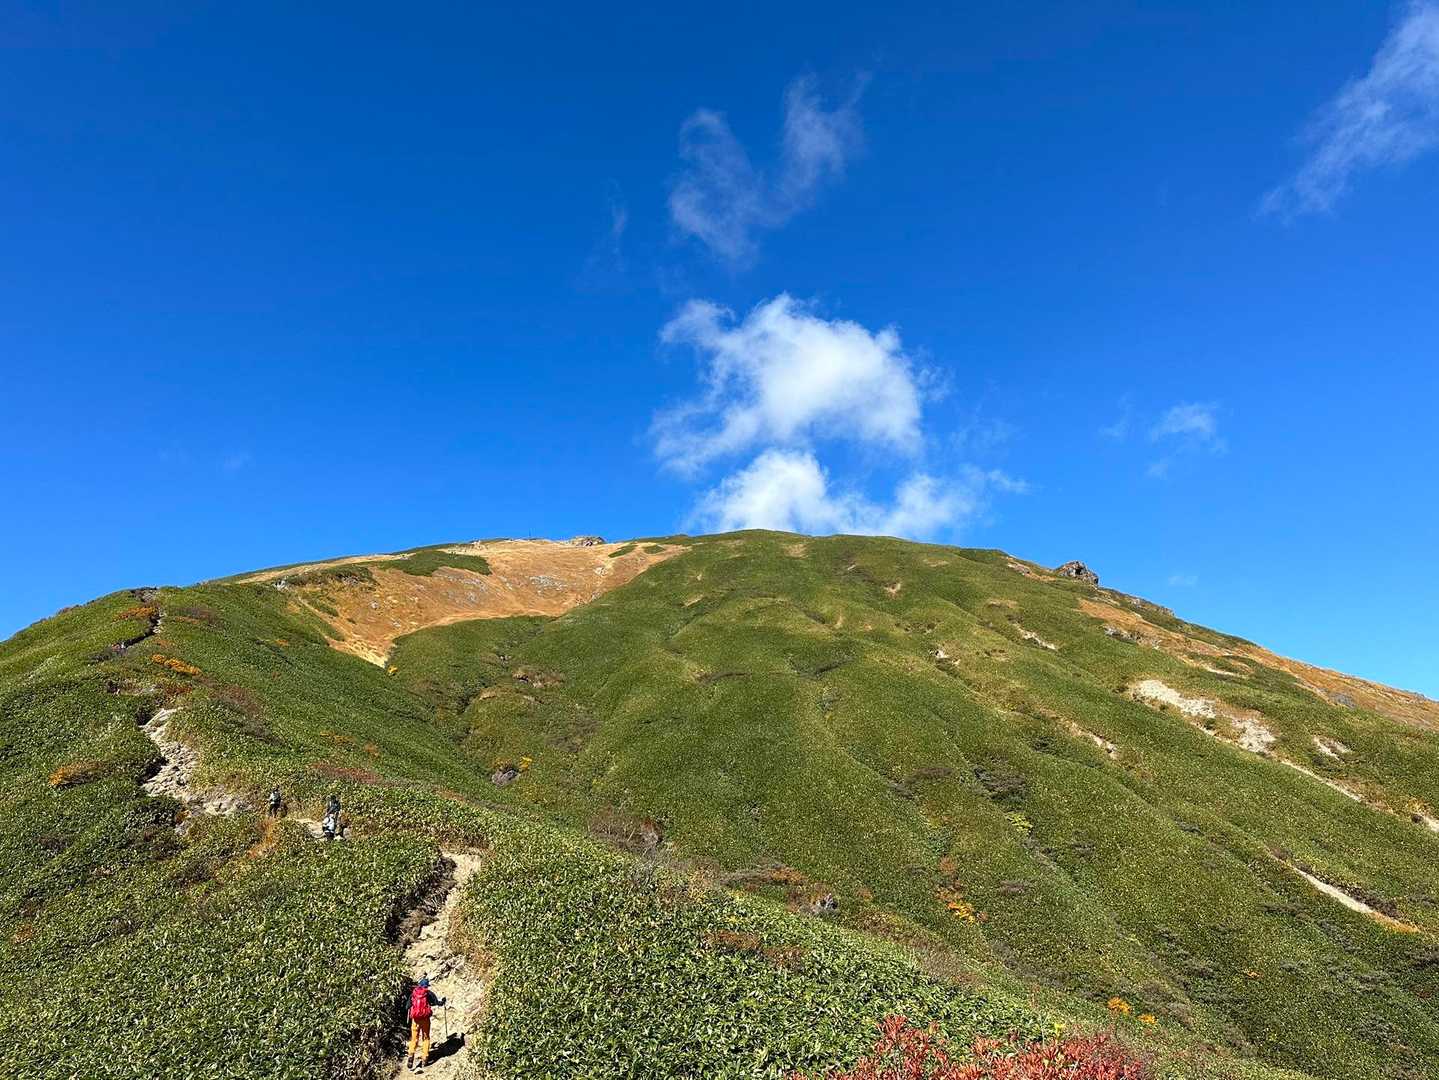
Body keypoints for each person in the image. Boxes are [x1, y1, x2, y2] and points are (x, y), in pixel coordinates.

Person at [406, 975, 446, 1072]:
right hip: (425, 1020)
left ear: (419, 985)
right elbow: (437, 1003)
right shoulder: (428, 993)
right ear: (426, 986)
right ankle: (424, 1059)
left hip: (415, 1020)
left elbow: (407, 1006)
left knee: (414, 1039)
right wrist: (443, 1001)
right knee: (426, 1038)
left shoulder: (414, 993)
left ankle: (411, 1054)